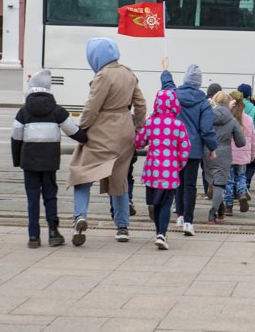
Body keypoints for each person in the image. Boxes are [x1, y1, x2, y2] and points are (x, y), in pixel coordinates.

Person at [67, 38, 146, 246]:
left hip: (102, 129)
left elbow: (92, 107)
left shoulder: (102, 75)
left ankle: (80, 217)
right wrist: (138, 128)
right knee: (119, 181)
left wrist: (81, 129)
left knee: (81, 174)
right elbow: (141, 104)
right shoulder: (129, 73)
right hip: (125, 131)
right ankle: (122, 228)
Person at [11, 69, 87, 249]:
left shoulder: (23, 112)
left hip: (29, 163)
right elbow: (73, 131)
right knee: (50, 196)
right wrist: (87, 138)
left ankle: (33, 236)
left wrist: (17, 161)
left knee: (32, 198)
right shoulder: (57, 111)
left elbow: (16, 138)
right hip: (49, 162)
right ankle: (53, 232)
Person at [161, 58, 217, 237]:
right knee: (190, 185)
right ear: (199, 83)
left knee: (177, 182)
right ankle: (188, 222)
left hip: (175, 147)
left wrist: (166, 71)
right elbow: (207, 129)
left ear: (185, 80)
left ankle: (179, 215)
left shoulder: (174, 95)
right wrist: (212, 147)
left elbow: (167, 86)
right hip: (193, 149)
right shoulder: (203, 103)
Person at [135, 89, 191, 250]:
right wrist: (179, 164)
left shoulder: (151, 122)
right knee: (166, 204)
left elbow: (139, 142)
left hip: (152, 171)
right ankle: (161, 234)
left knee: (156, 204)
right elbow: (185, 148)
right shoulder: (178, 125)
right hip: (170, 171)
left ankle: (159, 232)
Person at [205, 91, 245, 223]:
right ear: (229, 103)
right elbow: (241, 143)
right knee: (219, 184)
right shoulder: (232, 120)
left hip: (207, 152)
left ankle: (220, 209)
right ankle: (212, 212)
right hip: (224, 154)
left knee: (213, 180)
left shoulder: (207, 116)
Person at [224, 91, 255, 214]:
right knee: (241, 176)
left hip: (228, 155)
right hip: (243, 155)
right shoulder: (248, 119)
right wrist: (252, 154)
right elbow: (254, 140)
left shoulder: (227, 118)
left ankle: (229, 206)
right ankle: (242, 193)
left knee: (229, 180)